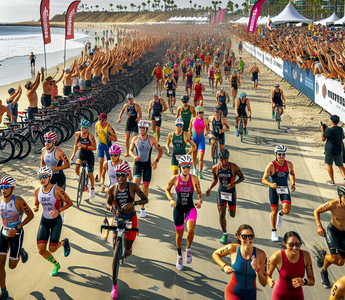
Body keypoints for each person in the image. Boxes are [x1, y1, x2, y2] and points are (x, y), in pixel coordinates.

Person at [106, 163, 148, 299]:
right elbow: (108, 203)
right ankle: (114, 285)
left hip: (131, 217)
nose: (120, 178)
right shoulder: (112, 189)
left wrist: (133, 203)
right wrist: (110, 208)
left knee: (129, 246)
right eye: (118, 175)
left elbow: (145, 199)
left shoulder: (133, 187)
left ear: (127, 175)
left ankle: (128, 248)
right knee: (114, 245)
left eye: (123, 175)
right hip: (119, 217)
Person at [165, 154, 203, 271]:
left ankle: (188, 248)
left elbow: (200, 193)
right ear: (180, 166)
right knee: (179, 234)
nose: (186, 169)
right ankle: (179, 255)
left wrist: (200, 201)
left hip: (190, 208)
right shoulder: (174, 179)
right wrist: (171, 199)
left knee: (191, 230)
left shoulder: (194, 178)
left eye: (188, 166)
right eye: (184, 166)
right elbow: (167, 190)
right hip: (178, 209)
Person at [33, 167, 73, 276]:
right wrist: (35, 207)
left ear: (50, 177)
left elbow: (70, 203)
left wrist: (59, 210)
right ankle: (56, 264)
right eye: (40, 177)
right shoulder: (37, 190)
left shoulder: (57, 190)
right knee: (41, 250)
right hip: (44, 221)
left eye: (45, 176)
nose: (42, 179)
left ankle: (64, 242)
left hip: (56, 221)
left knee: (52, 248)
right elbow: (36, 203)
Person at [0, 176, 34, 300]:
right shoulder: (0, 200)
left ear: (12, 188)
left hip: (17, 234)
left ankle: (20, 252)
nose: (3, 190)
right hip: (3, 234)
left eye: (6, 187)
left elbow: (31, 215)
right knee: (0, 264)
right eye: (1, 187)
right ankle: (3, 290)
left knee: (12, 266)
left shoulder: (18, 201)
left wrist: (17, 228)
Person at [212, 224, 267, 300]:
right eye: (244, 236)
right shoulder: (233, 248)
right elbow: (215, 254)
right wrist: (224, 266)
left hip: (251, 295)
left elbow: (264, 283)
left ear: (253, 237)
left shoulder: (261, 254)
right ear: (239, 237)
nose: (248, 239)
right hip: (233, 293)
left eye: (250, 236)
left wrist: (257, 269)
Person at [206, 149, 245, 243]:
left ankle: (230, 208)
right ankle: (225, 234)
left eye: (225, 159)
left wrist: (233, 183)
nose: (223, 161)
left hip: (231, 192)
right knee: (221, 213)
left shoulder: (233, 167)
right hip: (221, 192)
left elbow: (242, 177)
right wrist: (210, 188)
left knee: (232, 215)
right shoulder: (215, 168)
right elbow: (215, 179)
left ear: (228, 158)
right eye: (221, 159)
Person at [129, 120, 163, 218]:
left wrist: (156, 161)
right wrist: (134, 156)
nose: (141, 130)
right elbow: (130, 150)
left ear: (146, 129)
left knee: (145, 187)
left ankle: (143, 208)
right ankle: (132, 206)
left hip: (147, 165)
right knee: (135, 184)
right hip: (138, 164)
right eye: (140, 128)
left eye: (143, 128)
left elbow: (160, 150)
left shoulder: (152, 139)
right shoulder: (135, 139)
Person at [262, 145, 296, 242]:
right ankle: (274, 231)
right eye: (279, 154)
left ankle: (280, 214)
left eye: (283, 154)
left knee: (287, 210)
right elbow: (263, 180)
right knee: (274, 210)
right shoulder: (271, 165)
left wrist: (293, 183)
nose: (282, 157)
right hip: (274, 189)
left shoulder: (289, 164)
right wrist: (270, 184)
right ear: (276, 154)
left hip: (284, 188)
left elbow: (292, 173)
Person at [267, 231, 315, 299]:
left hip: (298, 296)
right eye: (291, 244)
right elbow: (266, 274)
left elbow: (312, 280)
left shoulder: (306, 256)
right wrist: (268, 280)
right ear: (285, 243)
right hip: (280, 296)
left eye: (297, 244)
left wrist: (304, 281)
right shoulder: (276, 257)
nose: (295, 247)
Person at [314, 185, 345, 289]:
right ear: (339, 196)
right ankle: (324, 272)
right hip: (333, 232)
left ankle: (324, 257)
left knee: (340, 262)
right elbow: (316, 211)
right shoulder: (333, 204)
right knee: (334, 257)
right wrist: (319, 226)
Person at [70, 119, 97, 198]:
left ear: (88, 128)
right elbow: (76, 145)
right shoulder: (77, 134)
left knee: (90, 173)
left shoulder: (90, 136)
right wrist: (73, 154)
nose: (82, 129)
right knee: (77, 166)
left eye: (84, 127)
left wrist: (85, 146)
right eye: (81, 127)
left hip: (89, 154)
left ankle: (92, 188)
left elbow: (94, 147)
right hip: (82, 153)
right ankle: (83, 177)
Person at [320, 115, 345, 185]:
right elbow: (342, 137)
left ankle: (332, 181)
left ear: (332, 121)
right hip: (339, 149)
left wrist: (323, 129)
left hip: (330, 150)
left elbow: (323, 139)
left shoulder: (329, 130)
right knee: (340, 165)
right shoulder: (340, 129)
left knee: (329, 165)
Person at [95, 113, 117, 182]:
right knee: (100, 161)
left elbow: (115, 138)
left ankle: (111, 177)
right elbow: (96, 133)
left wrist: (106, 135)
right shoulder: (97, 124)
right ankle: (100, 177)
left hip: (108, 146)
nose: (100, 121)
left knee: (109, 163)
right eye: (99, 119)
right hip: (100, 145)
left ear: (105, 120)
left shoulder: (109, 127)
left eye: (102, 119)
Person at [188, 106, 210, 179]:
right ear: (197, 113)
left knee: (201, 158)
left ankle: (200, 172)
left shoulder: (205, 120)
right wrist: (189, 135)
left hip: (201, 140)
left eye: (202, 112)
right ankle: (194, 170)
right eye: (200, 113)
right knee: (194, 157)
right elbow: (189, 129)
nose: (201, 114)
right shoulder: (192, 120)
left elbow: (208, 129)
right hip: (194, 140)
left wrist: (205, 134)